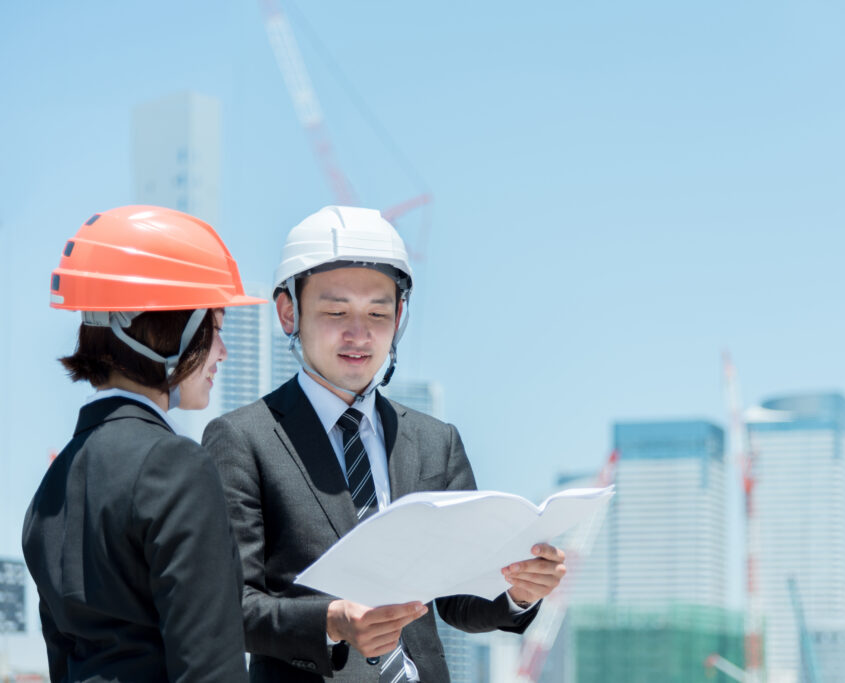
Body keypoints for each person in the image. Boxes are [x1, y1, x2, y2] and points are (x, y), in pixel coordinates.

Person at [202, 205, 567, 682]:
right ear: (288, 311)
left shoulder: (436, 443)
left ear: (399, 318)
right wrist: (331, 623)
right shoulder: (243, 440)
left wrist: (520, 591)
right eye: (336, 311)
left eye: (378, 313)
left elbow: (459, 600)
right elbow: (231, 607)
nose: (360, 333)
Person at [22, 205, 266, 683]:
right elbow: (210, 668)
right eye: (215, 326)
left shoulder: (50, 490)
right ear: (163, 330)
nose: (223, 350)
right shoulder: (173, 465)